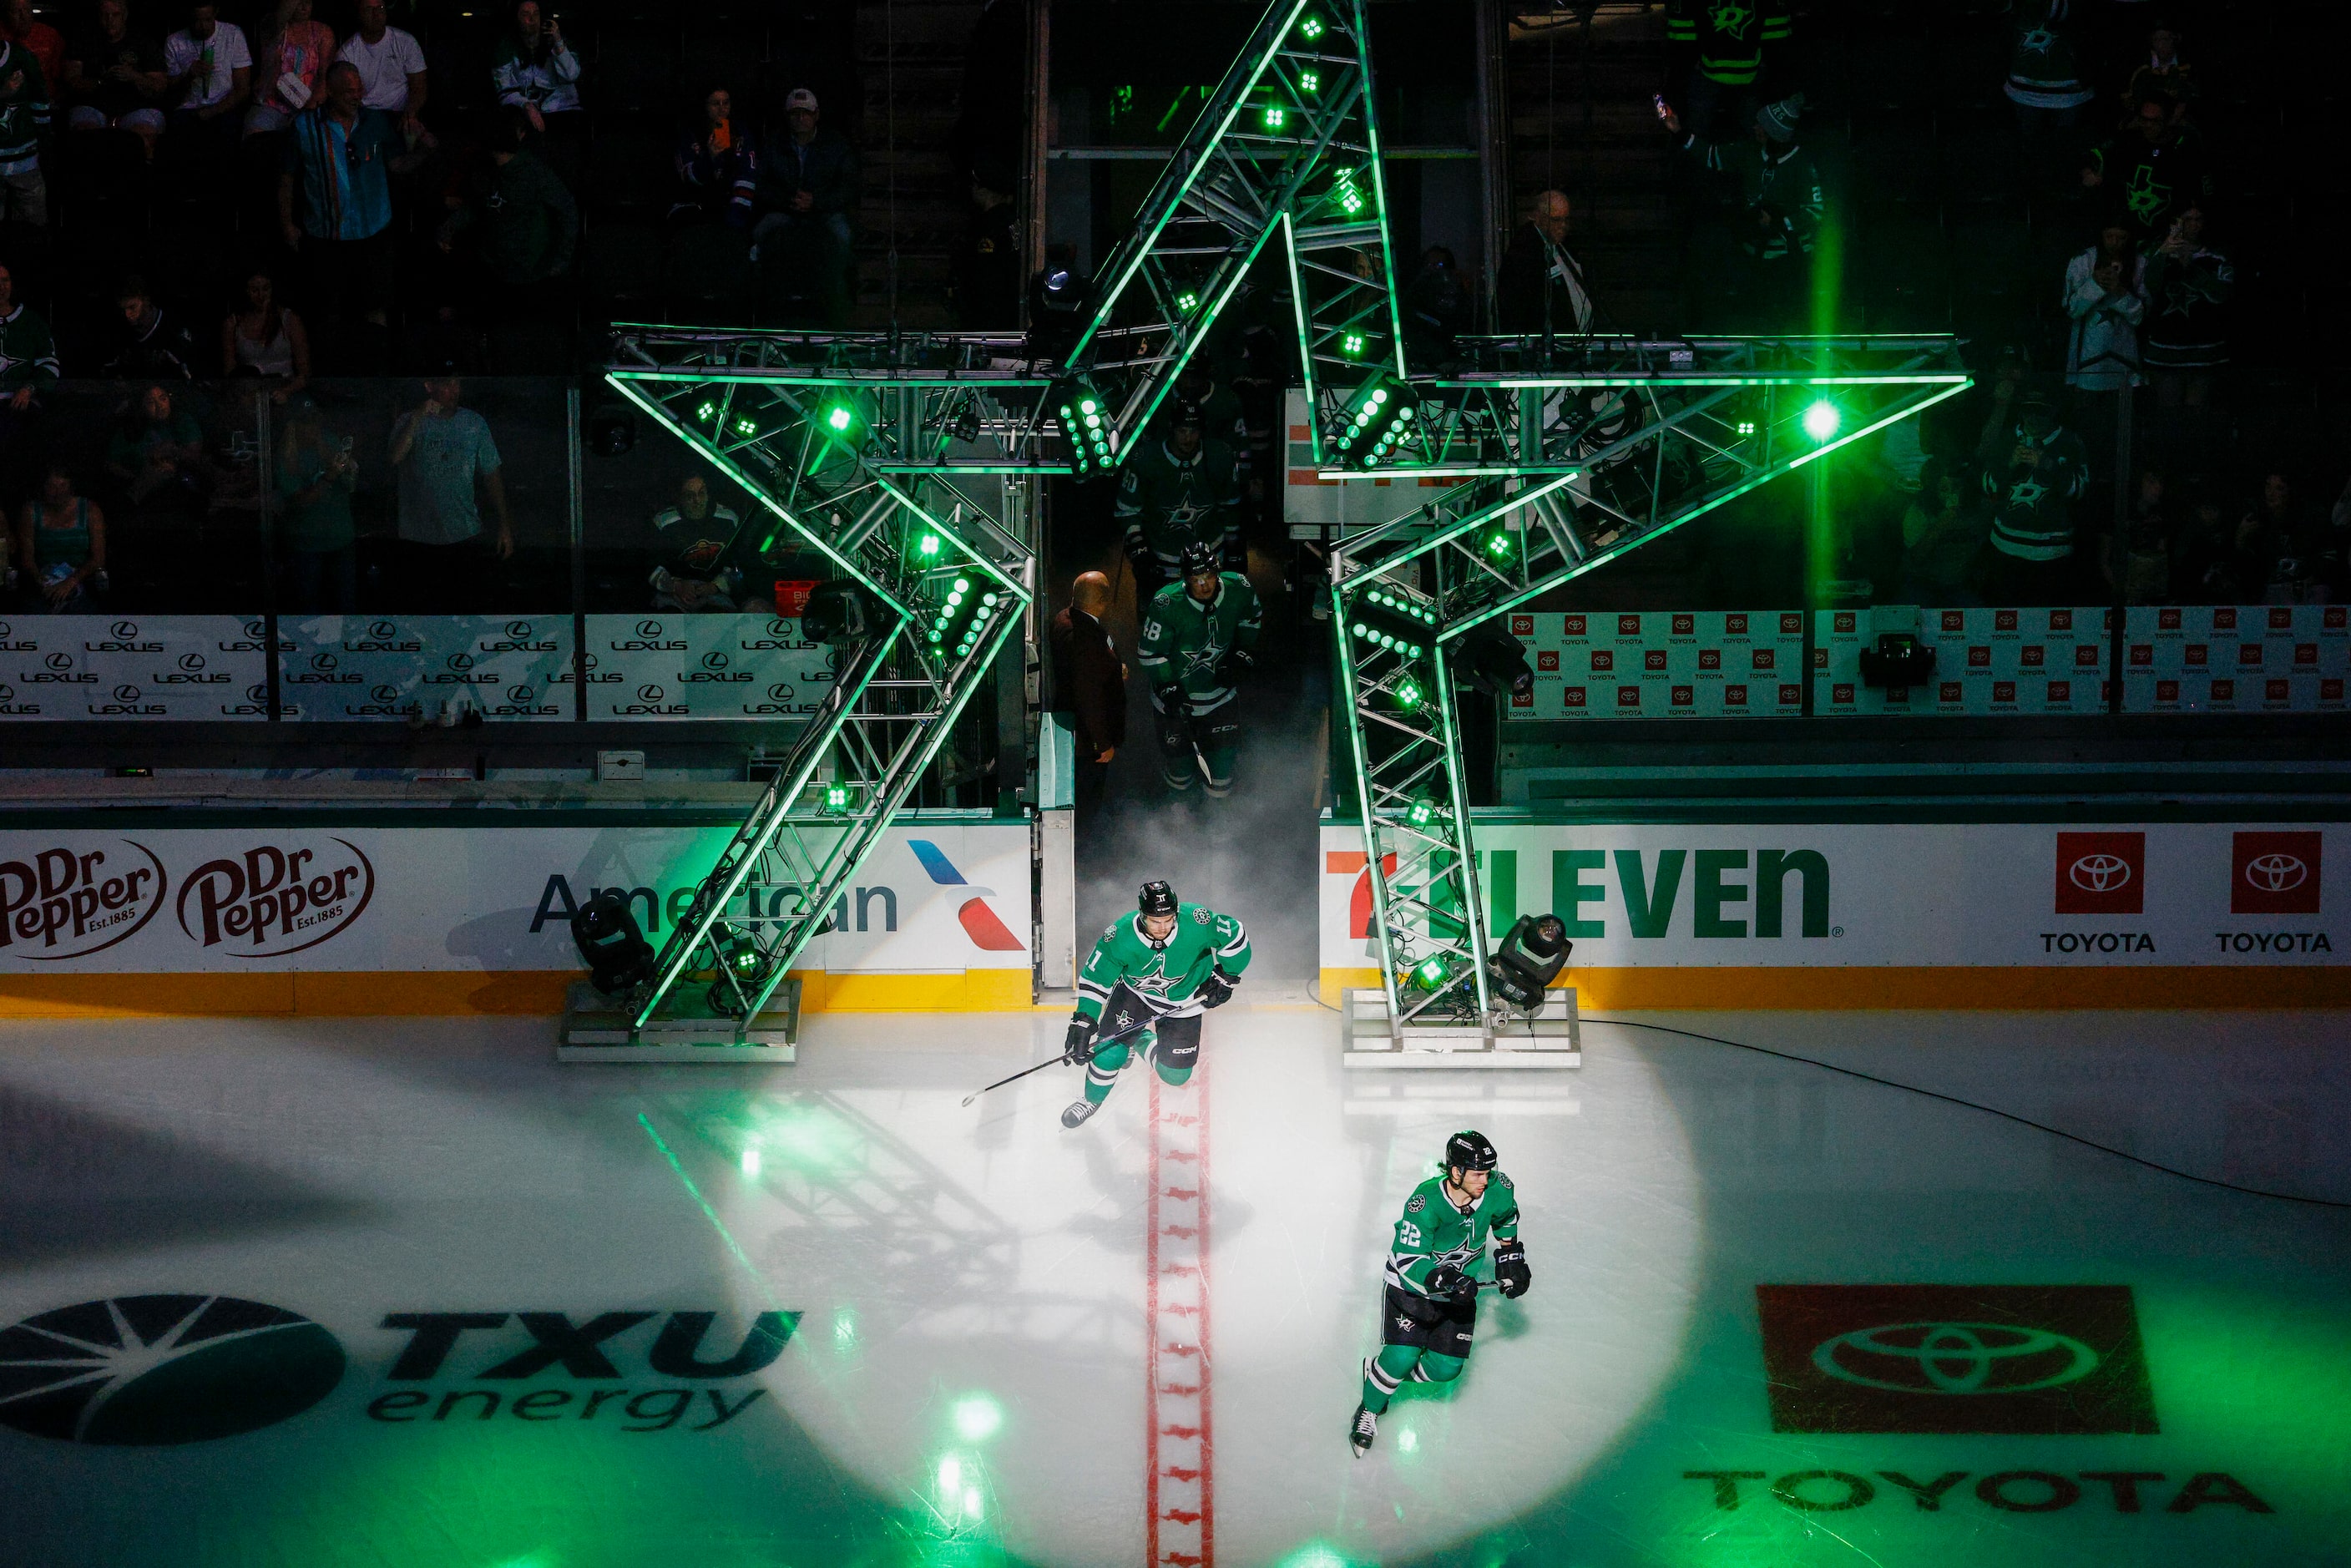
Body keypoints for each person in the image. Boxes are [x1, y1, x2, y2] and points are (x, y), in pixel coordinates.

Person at [1350, 1130, 1530, 1457]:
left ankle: (1379, 1374)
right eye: (1477, 1173)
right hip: (1411, 1290)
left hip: (1457, 1294)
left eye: (1488, 1172)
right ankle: (1370, 1407)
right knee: (1402, 1356)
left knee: (1446, 1369)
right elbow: (1408, 1260)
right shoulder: (1426, 1202)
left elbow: (1506, 1218)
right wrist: (1445, 1278)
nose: (1485, 1180)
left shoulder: (1498, 1188)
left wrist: (1510, 1258)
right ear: (1455, 1171)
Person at [1057, 878, 1251, 1130]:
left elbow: (1235, 934)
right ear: (1141, 915)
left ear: (1176, 912)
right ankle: (1091, 1100)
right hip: (1136, 995)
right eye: (1155, 921)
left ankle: (1139, 1039)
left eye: (1168, 919)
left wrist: (1227, 976)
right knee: (1108, 1055)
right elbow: (1096, 978)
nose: (1162, 927)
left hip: (1186, 1001)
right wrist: (1084, 1019)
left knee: (1175, 1075)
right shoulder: (1120, 935)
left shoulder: (1197, 920)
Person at [1659, 93, 1819, 333]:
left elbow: (1815, 213)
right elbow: (1713, 156)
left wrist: (1778, 221)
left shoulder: (1802, 165)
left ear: (1774, 133)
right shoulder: (1749, 151)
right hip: (1754, 253)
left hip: (1788, 261)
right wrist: (1679, 131)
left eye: (1761, 126)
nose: (1755, 128)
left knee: (1788, 321)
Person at [279, 61, 399, 369]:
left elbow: (397, 165)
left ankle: (379, 372)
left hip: (373, 233)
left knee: (375, 306)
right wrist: (287, 224)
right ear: (330, 92)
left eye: (359, 89)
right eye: (348, 91)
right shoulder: (306, 127)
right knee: (328, 310)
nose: (356, 96)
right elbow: (287, 177)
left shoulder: (375, 121)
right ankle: (330, 377)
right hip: (326, 237)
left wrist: (426, 148)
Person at [438, 105, 575, 362]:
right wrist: (449, 228)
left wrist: (560, 261)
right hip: (495, 273)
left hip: (532, 275)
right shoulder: (485, 170)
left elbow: (567, 211)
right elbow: (477, 206)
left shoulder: (534, 172)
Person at [1138, 540, 1261, 797]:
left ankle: (1219, 824)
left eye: (1209, 577)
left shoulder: (1239, 587)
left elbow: (1252, 618)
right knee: (1180, 770)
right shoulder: (1166, 603)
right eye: (1196, 579)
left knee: (1222, 770)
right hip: (1175, 706)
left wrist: (1241, 654)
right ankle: (1178, 816)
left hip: (1220, 701)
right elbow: (1149, 652)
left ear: (1217, 571)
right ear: (1186, 579)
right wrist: (1167, 686)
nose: (1204, 585)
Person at [389, 369, 511, 610]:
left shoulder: (474, 423)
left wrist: (504, 523)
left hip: (463, 533)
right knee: (423, 610)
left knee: (464, 607)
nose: (454, 390)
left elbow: (491, 473)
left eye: (457, 383)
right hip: (418, 536)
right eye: (447, 384)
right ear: (429, 386)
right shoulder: (408, 421)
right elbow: (394, 457)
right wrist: (417, 418)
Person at [1977, 382, 2090, 604]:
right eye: (2030, 410)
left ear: (2053, 412)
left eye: (2041, 411)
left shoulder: (2070, 442)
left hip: (2051, 553)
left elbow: (2079, 490)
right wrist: (2009, 464)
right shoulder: (2007, 439)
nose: (2035, 417)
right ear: (2021, 411)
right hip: (2005, 548)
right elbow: (1988, 487)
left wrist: (2048, 465)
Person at [1117, 401, 1241, 601]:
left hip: (1210, 560)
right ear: (1171, 429)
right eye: (1182, 430)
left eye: (1193, 431)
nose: (1187, 438)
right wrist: (1140, 553)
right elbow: (1127, 510)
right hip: (1160, 561)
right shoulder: (1145, 459)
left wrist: (1235, 548)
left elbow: (1231, 505)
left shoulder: (1220, 456)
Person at [753, 88, 857, 326]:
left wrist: (816, 201)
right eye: (795, 113)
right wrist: (789, 200)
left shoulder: (836, 145)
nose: (801, 119)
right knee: (761, 233)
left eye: (806, 113)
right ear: (787, 115)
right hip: (785, 210)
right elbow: (760, 183)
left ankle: (838, 298)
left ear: (816, 114)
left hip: (824, 212)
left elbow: (848, 187)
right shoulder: (774, 144)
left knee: (842, 235)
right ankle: (766, 307)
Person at [2082, 91, 2207, 244]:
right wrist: (2089, 171)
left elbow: (2201, 192)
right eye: (2144, 119)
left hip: (2168, 233)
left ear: (2168, 119)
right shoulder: (2129, 139)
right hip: (2127, 230)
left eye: (2154, 121)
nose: (2147, 126)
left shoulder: (2186, 146)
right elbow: (2095, 154)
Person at [1049, 569, 1125, 813]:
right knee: (1088, 801)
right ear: (1101, 602)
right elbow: (1089, 698)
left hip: (1073, 728)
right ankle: (1088, 846)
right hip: (1087, 742)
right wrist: (1102, 743)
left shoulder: (1063, 619)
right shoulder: (1086, 640)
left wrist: (1113, 668)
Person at [2141, 201, 2230, 408]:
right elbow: (2150, 286)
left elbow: (2221, 295)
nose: (2194, 225)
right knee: (2168, 412)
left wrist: (2191, 268)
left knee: (2196, 414)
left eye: (2198, 219)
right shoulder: (2158, 252)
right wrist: (2163, 254)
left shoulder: (2217, 256)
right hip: (2165, 346)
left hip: (2204, 347)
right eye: (2188, 219)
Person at [1663, 0, 1788, 141]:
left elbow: (1681, 45)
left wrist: (1670, 93)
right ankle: (1760, 153)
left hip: (1708, 72)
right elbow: (1777, 42)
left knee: (1693, 128)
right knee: (1756, 128)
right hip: (1751, 72)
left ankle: (1689, 149)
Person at [275, 398, 356, 611]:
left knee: (346, 606)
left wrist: (349, 469)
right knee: (309, 609)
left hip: (340, 537)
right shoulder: (285, 455)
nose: (313, 427)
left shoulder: (329, 440)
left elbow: (350, 485)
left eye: (315, 421)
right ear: (293, 426)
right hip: (306, 543)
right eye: (307, 423)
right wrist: (330, 475)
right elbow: (300, 501)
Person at [61, 0, 166, 157]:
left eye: (115, 15)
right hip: (93, 106)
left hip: (136, 108)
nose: (110, 20)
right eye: (105, 15)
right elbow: (71, 81)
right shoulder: (83, 39)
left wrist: (134, 76)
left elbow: (160, 85)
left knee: (143, 138)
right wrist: (101, 81)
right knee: (85, 137)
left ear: (124, 16)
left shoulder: (143, 41)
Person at [1495, 190, 1594, 340]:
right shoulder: (1524, 252)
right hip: (1550, 345)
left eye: (1566, 219)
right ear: (1538, 217)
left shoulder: (1563, 244)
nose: (1563, 225)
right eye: (1556, 220)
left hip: (1574, 340)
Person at [105, 382, 209, 523]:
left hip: (180, 481)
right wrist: (138, 477)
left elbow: (195, 457)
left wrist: (173, 451)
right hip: (140, 483)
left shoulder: (183, 421)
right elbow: (112, 464)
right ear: (141, 406)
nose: (160, 406)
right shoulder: (129, 429)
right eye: (150, 402)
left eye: (163, 398)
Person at [2063, 218, 2145, 394]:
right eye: (2109, 237)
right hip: (2087, 360)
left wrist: (2119, 291)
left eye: (2121, 238)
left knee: (2122, 414)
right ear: (2102, 236)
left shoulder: (2140, 262)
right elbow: (2071, 309)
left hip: (2125, 358)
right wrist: (2094, 284)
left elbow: (2141, 316)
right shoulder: (2082, 261)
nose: (2114, 243)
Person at [647, 473, 744, 609]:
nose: (697, 500)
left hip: (715, 594)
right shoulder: (664, 522)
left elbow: (738, 565)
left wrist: (716, 586)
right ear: (679, 497)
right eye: (689, 495)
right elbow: (648, 565)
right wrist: (676, 585)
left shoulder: (728, 519)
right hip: (674, 596)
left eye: (701, 493)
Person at [163, 0, 248, 157]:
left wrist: (212, 111)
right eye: (197, 20)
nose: (202, 26)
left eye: (207, 20)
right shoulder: (174, 42)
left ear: (215, 13)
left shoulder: (233, 34)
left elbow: (242, 89)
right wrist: (189, 76)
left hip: (224, 107)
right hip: (187, 109)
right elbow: (171, 95)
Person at [13, 462, 102, 610]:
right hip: (43, 580)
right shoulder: (31, 511)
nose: (57, 492)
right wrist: (42, 581)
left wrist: (71, 582)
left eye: (62, 486)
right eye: (52, 487)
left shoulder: (90, 510)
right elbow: (27, 559)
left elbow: (98, 559)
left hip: (80, 579)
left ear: (71, 487)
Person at [671, 84, 756, 229]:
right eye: (716, 104)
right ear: (705, 106)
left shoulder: (741, 132)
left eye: (726, 103)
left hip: (730, 202)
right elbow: (687, 178)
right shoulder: (690, 134)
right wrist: (709, 158)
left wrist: (736, 210)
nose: (722, 108)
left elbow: (747, 175)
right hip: (694, 202)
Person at [244, 0, 334, 135]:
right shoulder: (271, 27)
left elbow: (325, 79)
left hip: (307, 106)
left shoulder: (322, 33)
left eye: (308, 2)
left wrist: (308, 111)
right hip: (270, 105)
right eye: (299, 2)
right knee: (256, 133)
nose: (303, 7)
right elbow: (280, 17)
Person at [336, 0, 424, 137]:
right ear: (359, 14)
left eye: (380, 8)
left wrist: (410, 115)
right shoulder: (348, 52)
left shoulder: (406, 41)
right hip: (366, 115)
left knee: (428, 144)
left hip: (401, 114)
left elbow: (419, 86)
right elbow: (345, 95)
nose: (376, 14)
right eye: (369, 9)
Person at [948, 159, 1019, 327]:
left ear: (984, 190)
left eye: (975, 185)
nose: (972, 189)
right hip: (1003, 313)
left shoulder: (990, 226)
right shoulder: (1010, 219)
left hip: (990, 319)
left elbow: (986, 276)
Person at [491, 0, 579, 134]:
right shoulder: (506, 46)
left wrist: (558, 43)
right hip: (523, 112)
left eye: (536, 13)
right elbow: (504, 89)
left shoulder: (556, 41)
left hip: (562, 109)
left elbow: (572, 75)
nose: (532, 19)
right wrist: (525, 105)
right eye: (525, 14)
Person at [220, 269, 308, 398]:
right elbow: (230, 373)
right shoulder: (232, 324)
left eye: (266, 289)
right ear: (246, 291)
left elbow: (304, 372)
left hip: (287, 393)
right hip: (249, 396)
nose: (261, 296)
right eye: (255, 290)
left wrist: (286, 392)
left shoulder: (290, 320)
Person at [104, 275, 197, 379]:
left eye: (132, 307)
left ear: (146, 301)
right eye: (123, 310)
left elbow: (189, 372)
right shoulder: (122, 332)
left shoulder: (174, 328)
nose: (127, 315)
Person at [1403, 244, 1472, 371]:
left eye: (1439, 265)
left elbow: (1460, 322)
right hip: (1417, 358)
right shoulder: (1414, 292)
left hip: (1449, 360)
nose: (1433, 269)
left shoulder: (1456, 294)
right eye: (1429, 265)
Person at [0, 34, 43, 229]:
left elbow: (40, 102)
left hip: (24, 159)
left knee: (32, 227)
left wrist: (45, 146)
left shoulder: (22, 57)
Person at [2, 0, 63, 98]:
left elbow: (59, 74)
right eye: (15, 11)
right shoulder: (2, 37)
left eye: (27, 10)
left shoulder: (49, 35)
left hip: (43, 98)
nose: (23, 16)